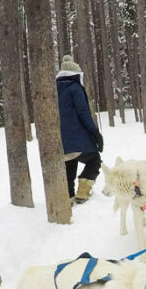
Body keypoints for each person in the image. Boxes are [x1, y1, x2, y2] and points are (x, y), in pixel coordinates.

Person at [56, 55, 104, 205]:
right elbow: (83, 112)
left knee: (69, 163)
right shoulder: (75, 88)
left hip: (61, 143)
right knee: (94, 160)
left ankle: (68, 198)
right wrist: (95, 133)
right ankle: (83, 192)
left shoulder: (53, 90)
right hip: (77, 140)